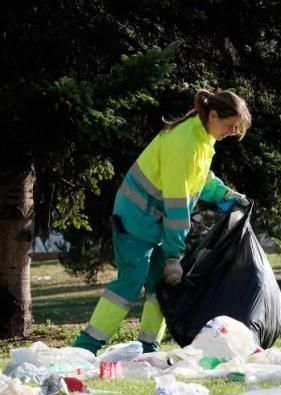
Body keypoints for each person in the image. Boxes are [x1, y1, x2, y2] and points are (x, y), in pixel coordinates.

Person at [73, 89, 252, 354]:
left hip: (153, 218)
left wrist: (225, 194)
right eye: (230, 126)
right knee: (131, 280)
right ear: (213, 115)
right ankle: (86, 347)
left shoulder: (202, 138)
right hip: (135, 217)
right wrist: (172, 257)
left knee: (162, 286)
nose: (231, 132)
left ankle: (148, 347)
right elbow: (177, 206)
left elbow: (200, 178)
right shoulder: (184, 142)